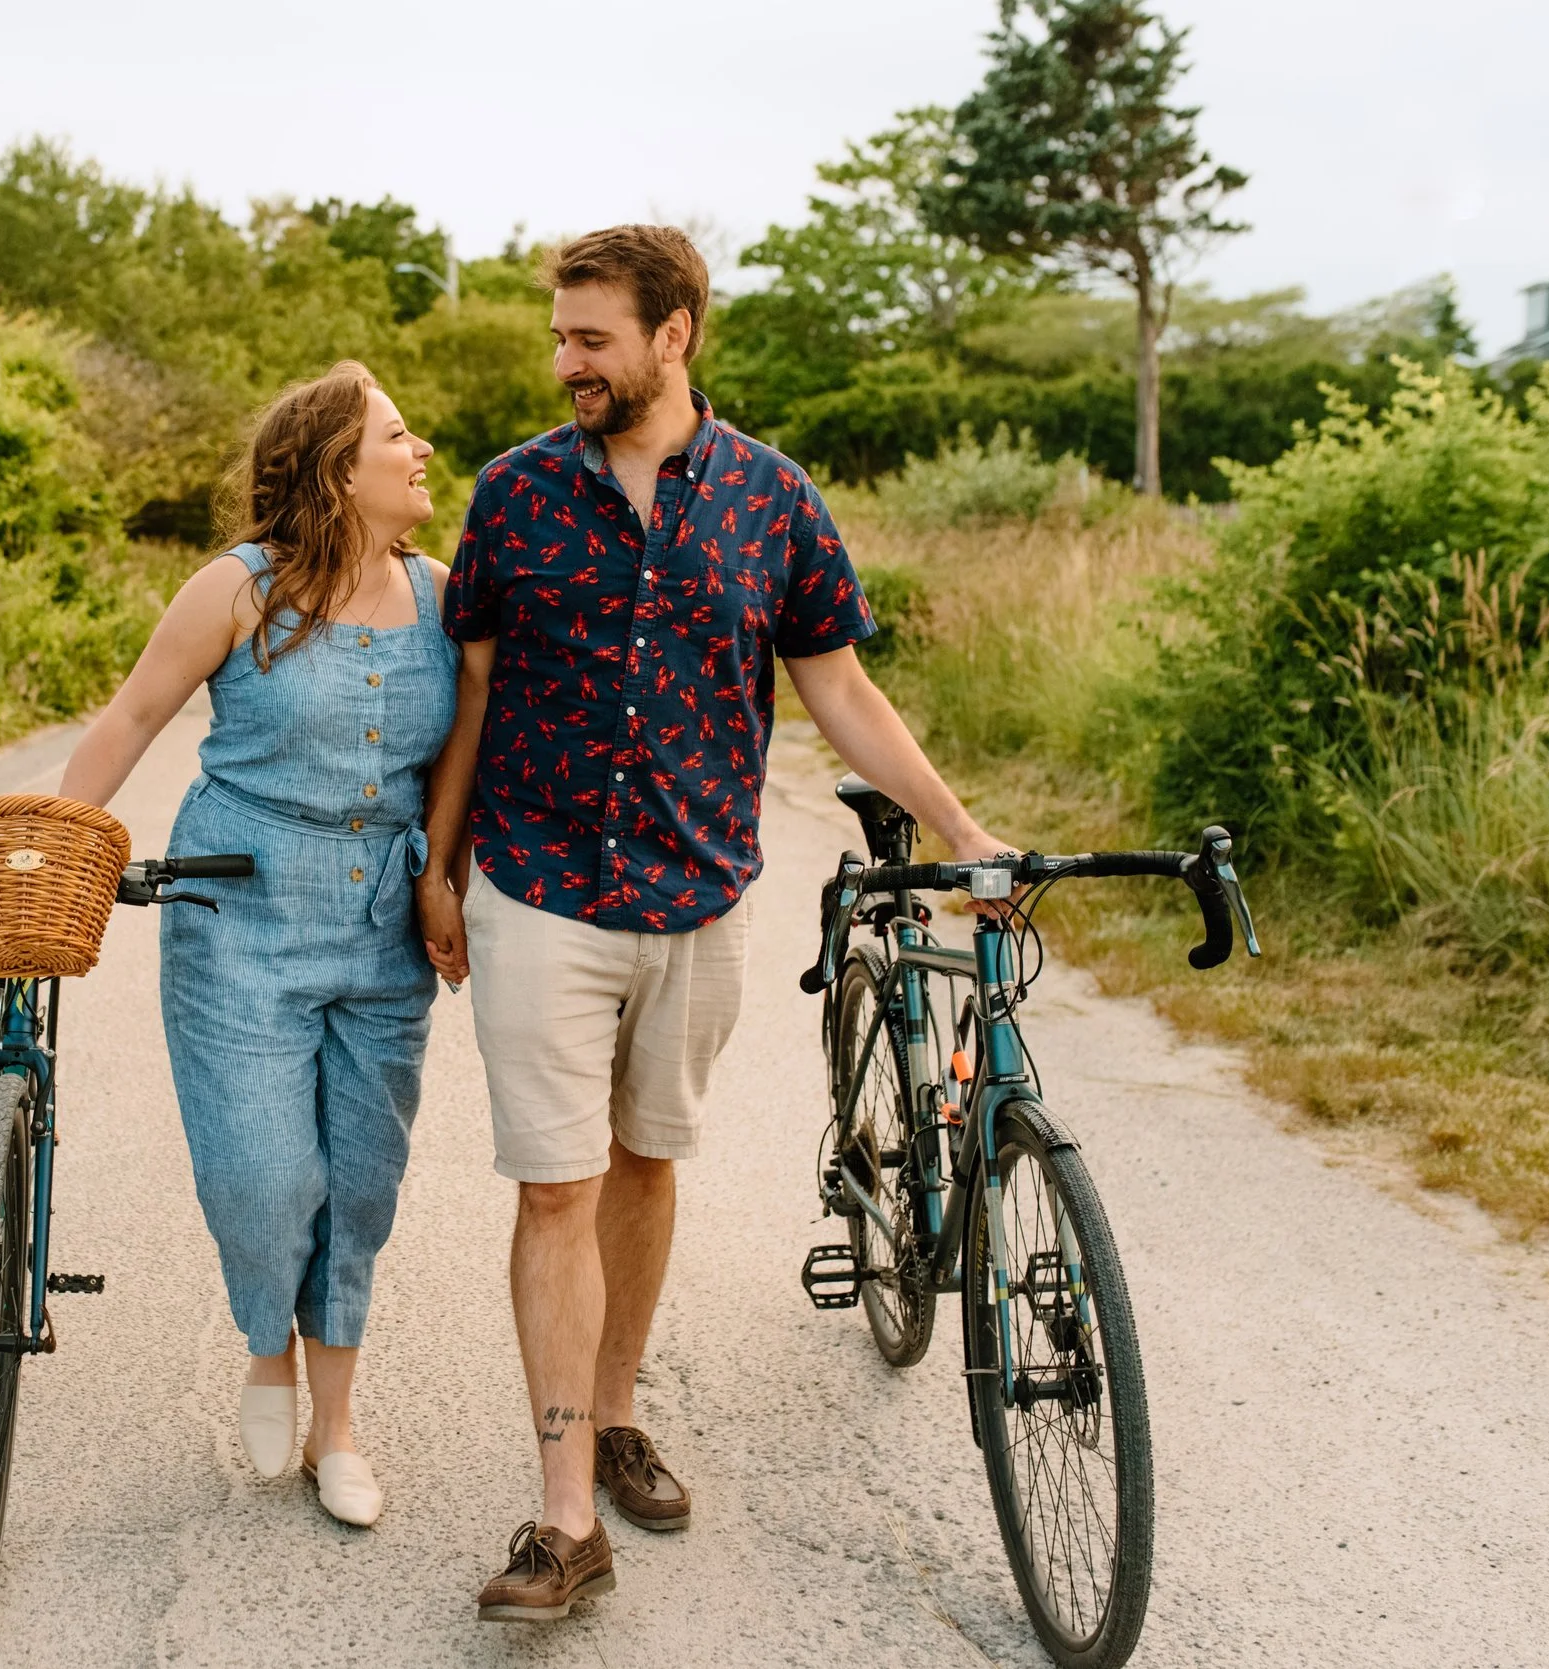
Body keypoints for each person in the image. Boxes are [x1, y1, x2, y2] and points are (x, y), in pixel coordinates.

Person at [415, 226, 1012, 1620]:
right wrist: (438, 866)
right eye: (559, 337)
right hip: (539, 884)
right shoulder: (511, 497)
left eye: (592, 339)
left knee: (643, 1159)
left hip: (697, 891)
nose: (567, 362)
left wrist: (967, 828)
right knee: (552, 1182)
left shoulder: (771, 499)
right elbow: (477, 692)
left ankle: (617, 1412)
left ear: (674, 333)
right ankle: (566, 1515)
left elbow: (840, 690)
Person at [57, 361, 457, 1529]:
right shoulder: (238, 589)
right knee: (262, 1175)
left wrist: (442, 878)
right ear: (340, 468)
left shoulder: (440, 593)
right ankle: (265, 1348)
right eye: (396, 433)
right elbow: (133, 715)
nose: (420, 446)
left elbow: (459, 761)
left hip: (380, 924)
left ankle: (338, 1427)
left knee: (361, 1183)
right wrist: (57, 845)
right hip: (239, 910)